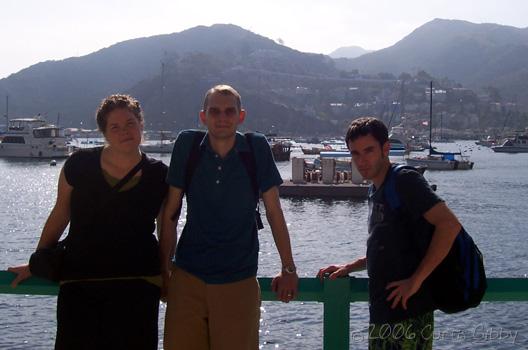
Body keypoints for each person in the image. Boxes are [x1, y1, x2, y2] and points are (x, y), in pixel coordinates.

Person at [8, 94, 168, 350]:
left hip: (137, 286)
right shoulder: (80, 164)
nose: (124, 131)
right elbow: (60, 214)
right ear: (104, 132)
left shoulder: (159, 174)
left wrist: (166, 273)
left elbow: (165, 229)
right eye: (114, 127)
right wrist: (39, 259)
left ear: (141, 124)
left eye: (129, 123)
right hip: (80, 285)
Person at [161, 84, 298, 350]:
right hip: (188, 277)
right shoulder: (187, 146)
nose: (222, 117)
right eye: (214, 111)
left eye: (229, 111)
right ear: (203, 116)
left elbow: (274, 211)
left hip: (239, 280)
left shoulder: (256, 148)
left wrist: (288, 268)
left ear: (241, 116)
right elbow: (170, 213)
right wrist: (164, 268)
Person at [317, 117, 462, 349]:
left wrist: (415, 281)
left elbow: (449, 225)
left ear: (385, 148)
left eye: (369, 151)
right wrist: (350, 267)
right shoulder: (375, 188)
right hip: (384, 314)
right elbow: (389, 247)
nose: (361, 160)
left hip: (409, 315)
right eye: (355, 153)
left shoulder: (405, 180)